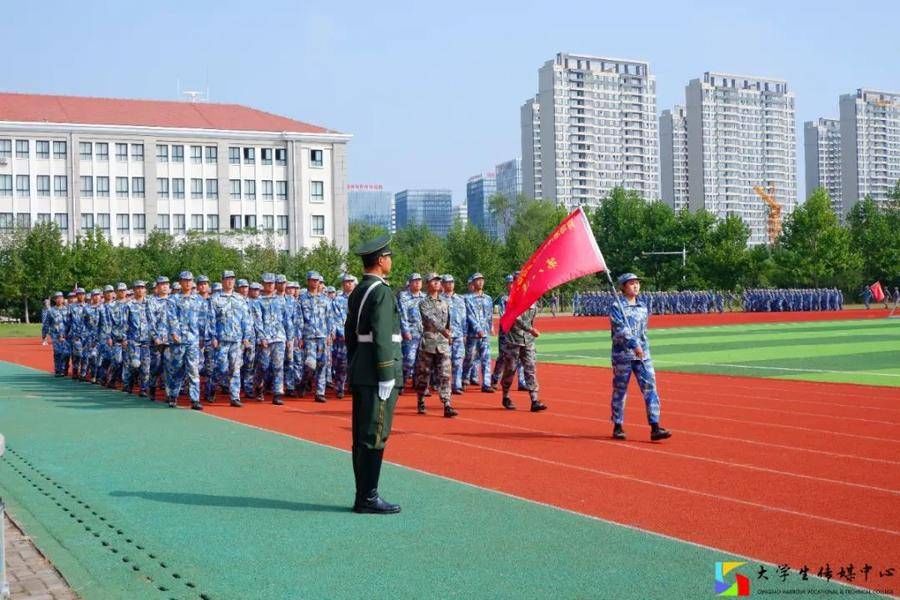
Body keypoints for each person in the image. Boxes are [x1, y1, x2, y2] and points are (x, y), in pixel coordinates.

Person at [346, 235, 402, 514]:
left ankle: (363, 494)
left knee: (362, 435)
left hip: (362, 370)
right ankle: (367, 497)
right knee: (374, 434)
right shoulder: (380, 291)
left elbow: (350, 334)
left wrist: (357, 363)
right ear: (380, 261)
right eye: (389, 257)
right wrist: (386, 373)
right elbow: (382, 334)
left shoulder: (359, 290)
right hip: (377, 374)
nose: (391, 261)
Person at [609, 273, 671, 442]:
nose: (635, 286)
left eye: (637, 283)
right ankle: (618, 425)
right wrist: (634, 345)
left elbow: (643, 331)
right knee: (620, 390)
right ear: (623, 287)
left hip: (643, 355)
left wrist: (641, 347)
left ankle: (655, 426)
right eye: (631, 284)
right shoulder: (617, 306)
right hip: (623, 355)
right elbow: (621, 329)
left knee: (650, 387)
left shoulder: (643, 306)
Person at [415, 273, 456, 417]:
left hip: (443, 344)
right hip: (429, 343)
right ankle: (420, 399)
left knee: (445, 374)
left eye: (438, 281)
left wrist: (449, 334)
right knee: (424, 375)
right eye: (433, 281)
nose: (437, 283)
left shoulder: (444, 303)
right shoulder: (423, 303)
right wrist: (444, 331)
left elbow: (448, 322)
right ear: (427, 284)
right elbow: (430, 319)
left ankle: (447, 404)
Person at [497, 295, 547, 412]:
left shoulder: (534, 302)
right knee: (510, 370)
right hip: (514, 340)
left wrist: (530, 332)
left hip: (528, 341)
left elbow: (531, 320)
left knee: (530, 369)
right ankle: (506, 396)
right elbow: (516, 318)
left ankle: (534, 400)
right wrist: (530, 329)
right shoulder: (514, 300)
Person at [440, 274, 467, 394]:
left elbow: (464, 318)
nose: (450, 284)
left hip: (459, 335)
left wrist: (465, 333)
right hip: (444, 335)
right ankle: (443, 385)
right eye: (447, 282)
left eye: (452, 282)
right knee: (444, 362)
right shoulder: (439, 299)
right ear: (443, 284)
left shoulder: (460, 299)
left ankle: (457, 385)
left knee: (458, 360)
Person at [41, 291, 69, 376]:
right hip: (55, 335)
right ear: (54, 300)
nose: (59, 299)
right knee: (58, 352)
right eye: (57, 298)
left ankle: (65, 369)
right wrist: (44, 334)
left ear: (63, 299)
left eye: (60, 297)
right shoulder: (51, 311)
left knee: (66, 353)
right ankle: (58, 369)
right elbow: (46, 323)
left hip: (67, 335)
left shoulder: (68, 310)